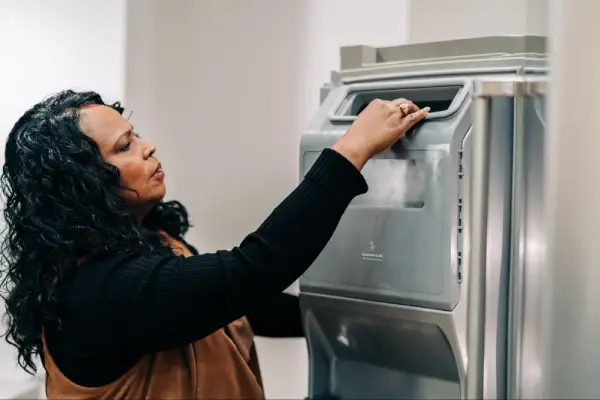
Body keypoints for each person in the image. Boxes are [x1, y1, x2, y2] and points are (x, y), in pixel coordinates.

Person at [0, 90, 428, 399]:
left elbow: (239, 304)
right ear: (82, 185)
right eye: (126, 146)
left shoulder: (151, 240)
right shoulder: (100, 289)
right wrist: (352, 148)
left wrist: (360, 323)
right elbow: (252, 269)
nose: (149, 148)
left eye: (136, 135)